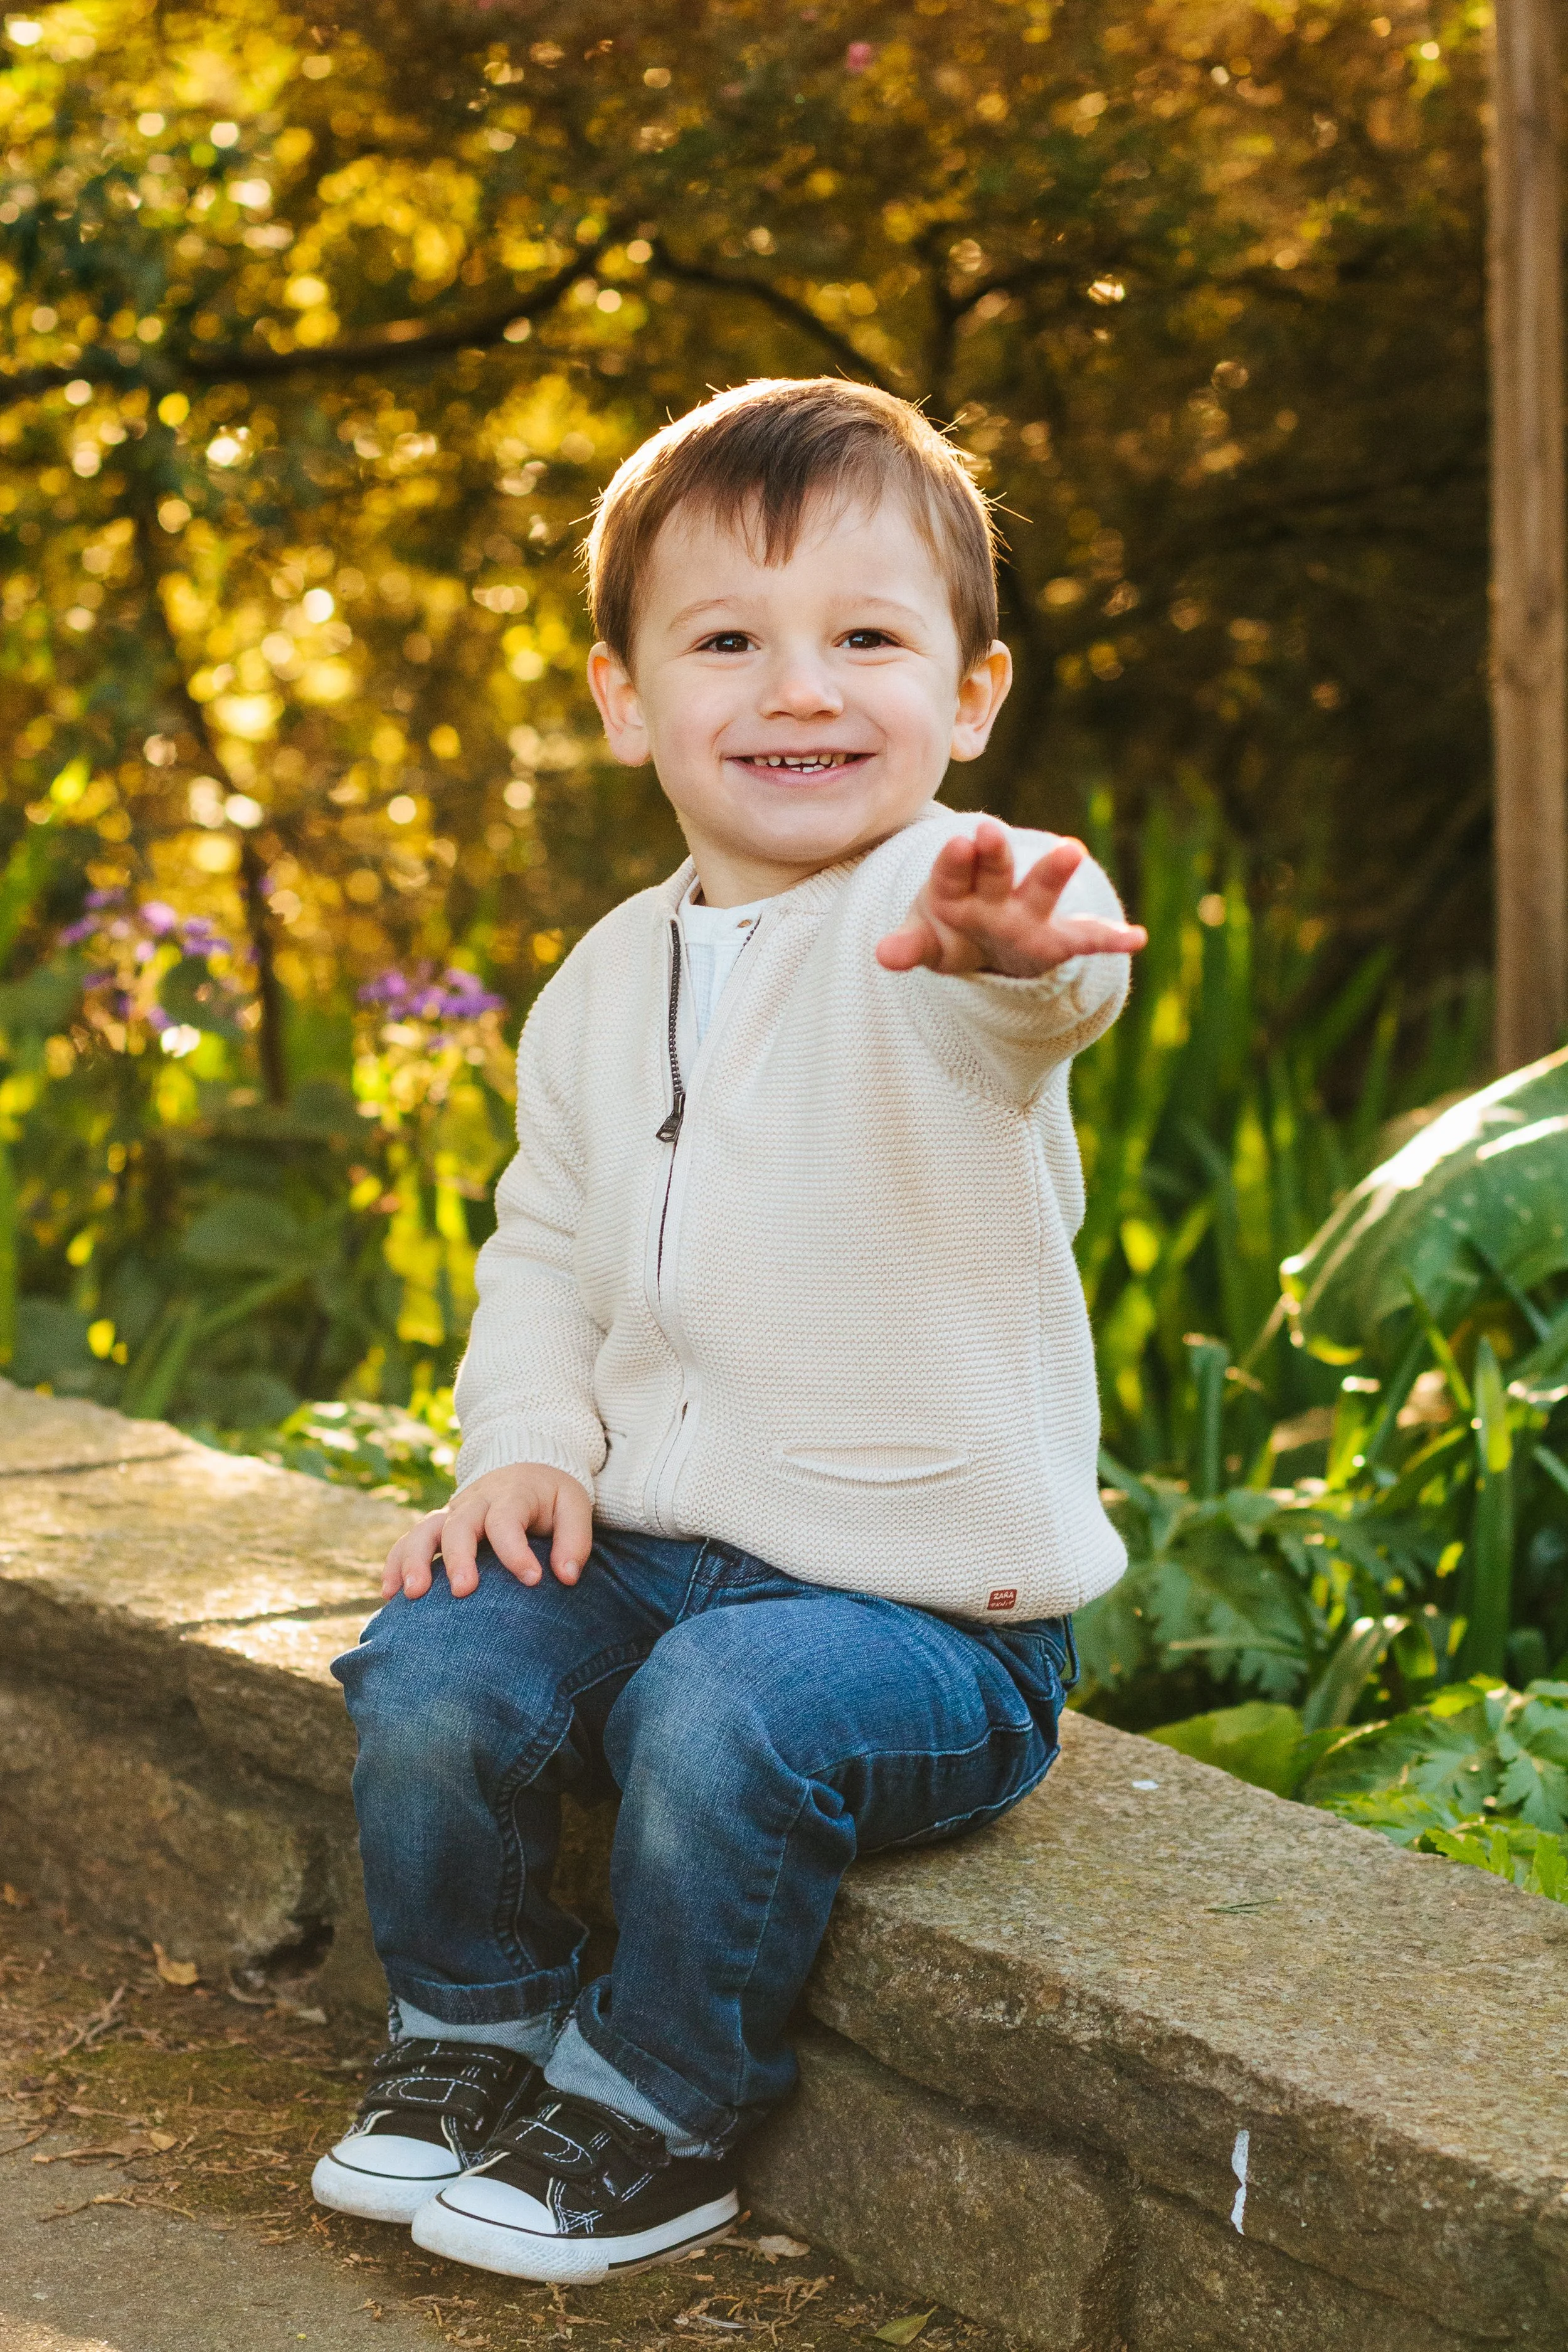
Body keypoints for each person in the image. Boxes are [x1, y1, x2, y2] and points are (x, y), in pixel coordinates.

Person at [312, 377, 1146, 2284]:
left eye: (865, 636)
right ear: (624, 696)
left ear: (969, 694)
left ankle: (654, 2101)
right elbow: (543, 1246)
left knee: (726, 1711)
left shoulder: (934, 922)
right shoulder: (600, 979)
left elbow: (1023, 1002)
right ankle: (474, 2026)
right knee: (437, 1666)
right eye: (726, 640)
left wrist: (1017, 950)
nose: (798, 688)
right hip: (651, 1551)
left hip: (921, 1623)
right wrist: (519, 1447)